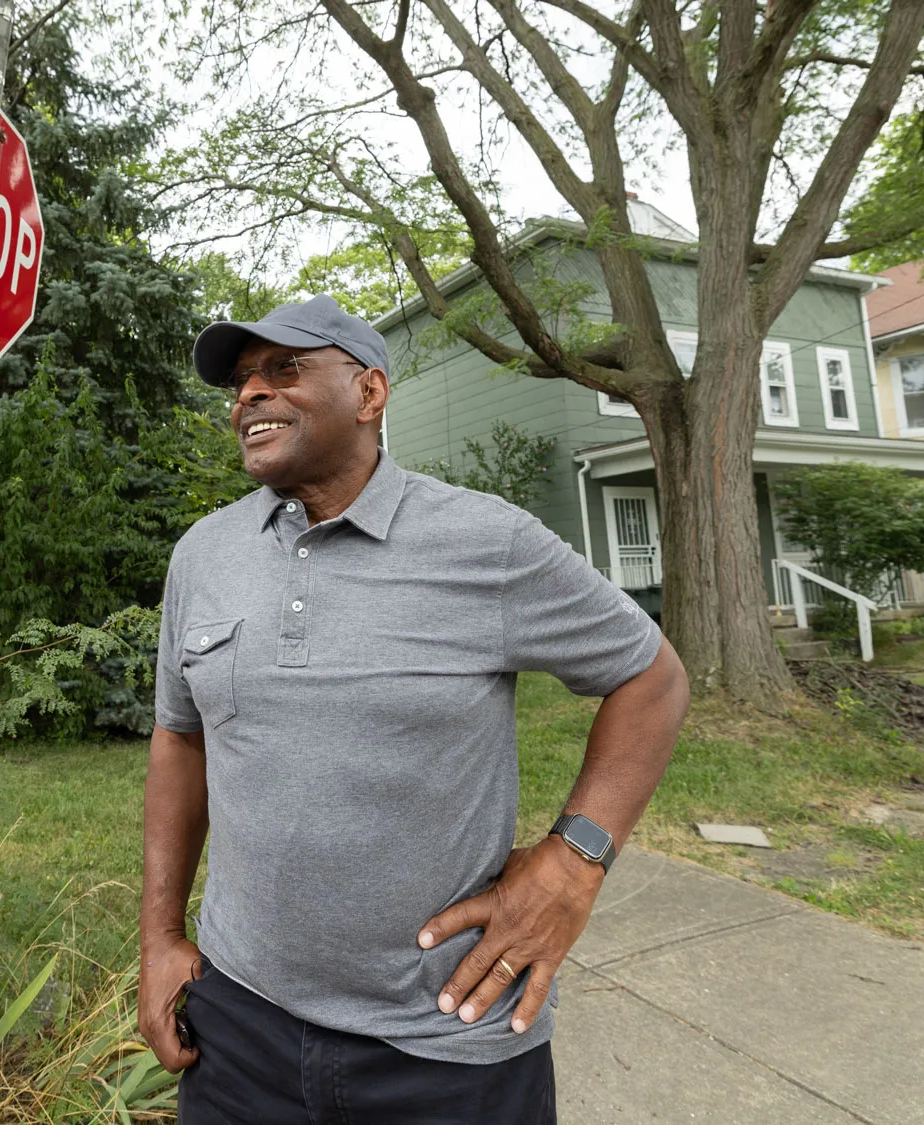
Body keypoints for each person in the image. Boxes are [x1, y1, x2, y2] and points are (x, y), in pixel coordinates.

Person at [140, 294, 690, 1122]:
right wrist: (160, 939)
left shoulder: (484, 543)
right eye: (243, 379)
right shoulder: (204, 556)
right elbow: (181, 740)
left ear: (369, 394)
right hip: (239, 1030)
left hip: (444, 1046)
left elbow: (652, 675)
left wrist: (576, 860)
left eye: (284, 368)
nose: (249, 393)